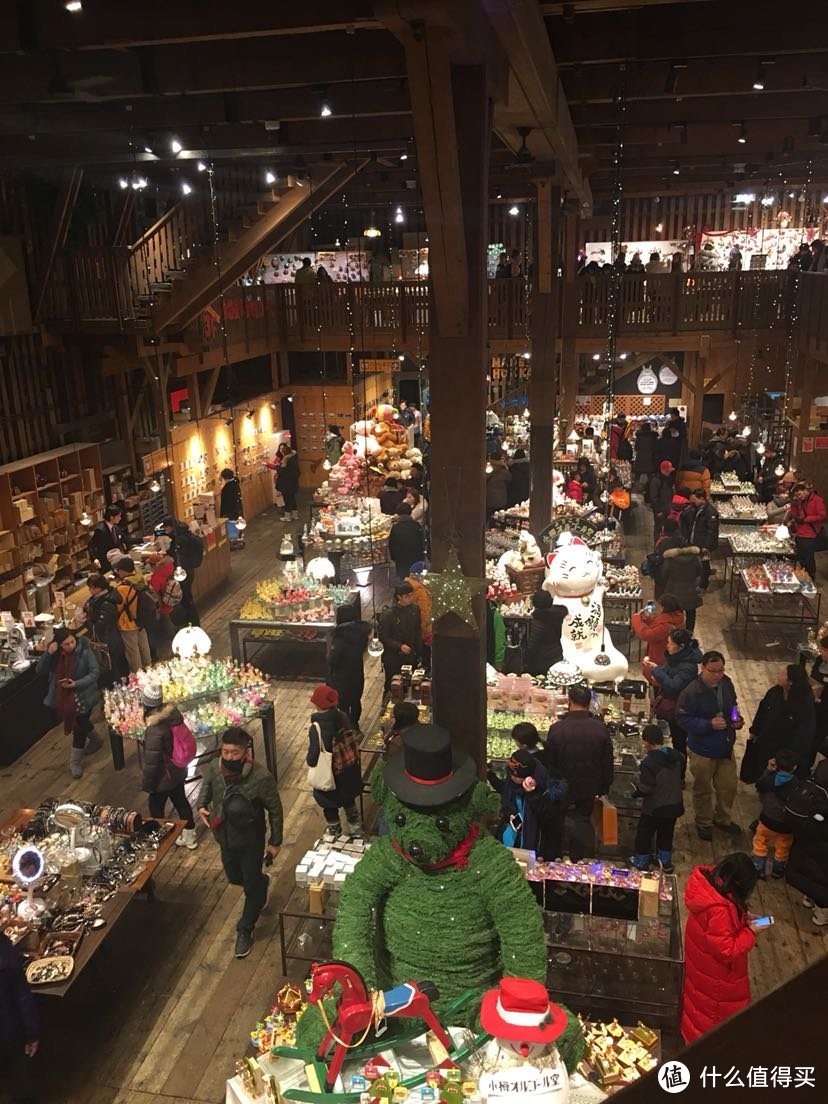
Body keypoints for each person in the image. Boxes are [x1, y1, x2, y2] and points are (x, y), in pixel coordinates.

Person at [197, 726, 283, 959]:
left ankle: (245, 927)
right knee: (235, 877)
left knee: (250, 885)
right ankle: (261, 883)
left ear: (246, 752)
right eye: (225, 752)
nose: (229, 757)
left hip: (251, 840)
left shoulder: (261, 777)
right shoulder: (215, 767)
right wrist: (202, 804)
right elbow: (207, 786)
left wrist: (275, 841)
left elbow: (275, 809)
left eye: (234, 753)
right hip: (223, 836)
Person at [680, 853, 760, 1044]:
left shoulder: (709, 890)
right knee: (710, 1023)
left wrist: (742, 919)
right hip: (717, 980)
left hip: (702, 969)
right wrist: (751, 932)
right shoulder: (720, 911)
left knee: (697, 1009)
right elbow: (727, 950)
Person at [677, 651, 744, 841]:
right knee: (703, 789)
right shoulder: (691, 692)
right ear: (703, 668)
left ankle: (723, 819)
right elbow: (683, 719)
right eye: (713, 671)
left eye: (721, 670)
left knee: (728, 786)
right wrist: (708, 724)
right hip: (702, 750)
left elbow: (733, 704)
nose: (717, 675)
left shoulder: (727, 682)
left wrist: (735, 719)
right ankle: (704, 822)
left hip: (725, 746)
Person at [545, 684, 614, 860]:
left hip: (562, 785)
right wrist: (605, 786)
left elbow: (550, 763)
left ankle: (555, 857)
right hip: (589, 784)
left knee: (557, 820)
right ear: (589, 702)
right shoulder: (600, 729)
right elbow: (607, 762)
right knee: (582, 819)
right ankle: (579, 858)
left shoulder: (556, 729)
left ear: (570, 701)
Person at [37, 627, 102, 779]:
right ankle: (96, 739)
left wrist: (76, 683)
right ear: (59, 645)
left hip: (84, 695)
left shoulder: (85, 651)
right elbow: (40, 670)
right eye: (66, 644)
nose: (71, 645)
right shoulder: (56, 656)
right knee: (81, 723)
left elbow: (94, 672)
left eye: (72, 641)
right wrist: (48, 653)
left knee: (78, 727)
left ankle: (75, 762)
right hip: (64, 697)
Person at [139, 684, 198, 849]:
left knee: (156, 809)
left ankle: (159, 840)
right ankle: (190, 837)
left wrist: (148, 784)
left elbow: (152, 762)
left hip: (162, 778)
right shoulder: (173, 716)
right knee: (181, 802)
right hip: (177, 771)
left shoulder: (154, 729)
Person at [307, 684, 362, 840]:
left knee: (330, 807)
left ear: (318, 704)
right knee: (349, 803)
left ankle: (336, 835)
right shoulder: (343, 717)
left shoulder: (316, 727)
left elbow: (313, 756)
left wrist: (309, 761)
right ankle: (356, 831)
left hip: (330, 775)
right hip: (348, 772)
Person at [645, 627, 702, 778]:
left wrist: (657, 671)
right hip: (672, 708)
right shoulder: (677, 658)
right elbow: (666, 672)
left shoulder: (688, 667)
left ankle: (679, 776)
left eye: (670, 643)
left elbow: (672, 687)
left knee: (679, 742)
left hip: (680, 710)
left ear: (681, 646)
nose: (667, 646)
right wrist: (657, 670)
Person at [487, 748, 563, 859]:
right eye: (511, 774)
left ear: (527, 776)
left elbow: (549, 816)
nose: (512, 778)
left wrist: (533, 795)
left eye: (516, 777)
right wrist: (510, 813)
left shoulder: (546, 786)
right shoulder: (512, 782)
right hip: (512, 839)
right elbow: (506, 797)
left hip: (537, 846)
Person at [744, 665, 815, 781]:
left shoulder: (804, 703)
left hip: (785, 751)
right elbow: (762, 712)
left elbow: (804, 733)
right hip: (766, 743)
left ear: (791, 681)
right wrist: (755, 731)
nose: (779, 675)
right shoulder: (775, 692)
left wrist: (788, 757)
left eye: (783, 674)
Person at [630, 724, 684, 872]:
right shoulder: (677, 756)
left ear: (646, 742)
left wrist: (635, 787)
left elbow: (646, 788)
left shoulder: (649, 763)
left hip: (654, 807)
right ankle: (664, 861)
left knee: (644, 834)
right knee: (666, 834)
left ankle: (641, 861)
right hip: (674, 804)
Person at [785, 758, 828, 926]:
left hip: (804, 851)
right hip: (823, 860)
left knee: (811, 873)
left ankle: (809, 899)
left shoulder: (811, 788)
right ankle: (821, 915)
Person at [0, 931, 39, 1104]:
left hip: (9, 1032)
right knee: (19, 1086)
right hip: (10, 1033)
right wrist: (32, 1032)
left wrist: (31, 1032)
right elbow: (20, 991)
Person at [752, 748, 798, 879]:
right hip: (785, 825)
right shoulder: (797, 785)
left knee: (760, 841)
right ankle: (777, 870)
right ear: (794, 767)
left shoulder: (769, 779)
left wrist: (768, 770)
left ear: (775, 764)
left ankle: (758, 866)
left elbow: (759, 786)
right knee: (783, 846)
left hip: (766, 819)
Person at [326, 606, 370, 727]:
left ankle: (345, 728)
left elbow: (332, 660)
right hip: (356, 672)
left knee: (342, 704)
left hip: (341, 677)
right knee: (355, 701)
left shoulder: (340, 638)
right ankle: (354, 723)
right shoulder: (361, 633)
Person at [84, 572, 128, 683]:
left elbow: (99, 626)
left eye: (91, 588)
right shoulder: (99, 597)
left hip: (109, 639)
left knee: (111, 665)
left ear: (98, 588)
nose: (89, 590)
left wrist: (85, 621)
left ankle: (119, 687)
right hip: (109, 638)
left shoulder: (106, 604)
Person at [377, 583, 422, 692]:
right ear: (399, 597)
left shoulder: (415, 610)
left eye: (412, 595)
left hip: (411, 654)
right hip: (393, 658)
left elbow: (417, 630)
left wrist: (418, 652)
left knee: (410, 685)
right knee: (392, 686)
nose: (410, 599)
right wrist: (399, 646)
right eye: (407, 596)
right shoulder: (388, 615)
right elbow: (383, 637)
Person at [113, 556, 154, 672]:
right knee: (143, 644)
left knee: (133, 651)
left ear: (123, 571)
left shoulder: (122, 588)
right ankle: (149, 668)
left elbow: (119, 607)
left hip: (128, 622)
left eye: (118, 570)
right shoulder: (141, 579)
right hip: (142, 619)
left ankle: (138, 674)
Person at [161, 517, 202, 626]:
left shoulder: (180, 539)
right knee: (186, 596)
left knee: (186, 598)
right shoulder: (183, 533)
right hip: (188, 570)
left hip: (183, 572)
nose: (165, 531)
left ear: (169, 527)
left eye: (165, 528)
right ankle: (191, 620)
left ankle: (194, 622)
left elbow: (177, 555)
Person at [658, 539, 703, 633]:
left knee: (673, 615)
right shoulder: (695, 559)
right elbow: (700, 572)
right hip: (691, 592)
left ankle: (675, 635)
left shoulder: (670, 560)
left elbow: (663, 575)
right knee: (691, 615)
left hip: (673, 592)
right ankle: (689, 634)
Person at [631, 593, 685, 669]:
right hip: (664, 654)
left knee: (655, 676)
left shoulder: (666, 625)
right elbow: (658, 629)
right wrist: (648, 620)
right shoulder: (676, 617)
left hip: (660, 657)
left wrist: (636, 619)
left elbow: (645, 635)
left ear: (663, 607)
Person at [679, 488, 719, 588]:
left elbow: (712, 531)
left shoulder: (711, 512)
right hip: (694, 541)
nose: (693, 501)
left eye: (695, 499)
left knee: (704, 565)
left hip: (703, 544)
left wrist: (707, 546)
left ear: (701, 499)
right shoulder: (695, 508)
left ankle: (703, 586)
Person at [788, 480, 826, 580]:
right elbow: (795, 515)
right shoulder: (800, 501)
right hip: (800, 533)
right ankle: (802, 576)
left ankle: (811, 578)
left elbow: (822, 516)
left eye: (800, 494)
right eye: (797, 495)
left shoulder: (817, 500)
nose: (799, 497)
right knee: (801, 557)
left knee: (808, 557)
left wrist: (806, 519)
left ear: (805, 490)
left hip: (810, 534)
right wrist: (793, 505)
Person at [523, 590, 564, 676]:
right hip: (557, 655)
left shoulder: (539, 621)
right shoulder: (557, 615)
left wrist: (525, 661)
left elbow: (533, 644)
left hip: (541, 661)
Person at [387, 503, 425, 580]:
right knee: (416, 579)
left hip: (401, 559)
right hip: (415, 556)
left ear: (398, 514)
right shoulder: (416, 525)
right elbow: (422, 542)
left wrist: (394, 558)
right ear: (410, 512)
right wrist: (422, 556)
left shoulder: (396, 527)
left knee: (403, 579)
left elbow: (391, 544)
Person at [87, 504, 128, 570]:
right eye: (119, 516)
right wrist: (94, 559)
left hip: (116, 560)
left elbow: (126, 539)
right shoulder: (100, 530)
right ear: (112, 517)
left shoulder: (115, 527)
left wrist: (143, 539)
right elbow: (91, 545)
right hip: (105, 564)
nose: (120, 518)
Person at [809, 635, 828, 763]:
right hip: (813, 704)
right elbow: (813, 675)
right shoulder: (819, 661)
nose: (821, 652)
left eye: (823, 650)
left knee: (816, 737)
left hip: (825, 710)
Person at [273, 444, 299, 521]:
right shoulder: (294, 459)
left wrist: (277, 467)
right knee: (292, 499)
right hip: (293, 483)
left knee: (287, 500)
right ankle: (295, 515)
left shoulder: (285, 461)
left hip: (286, 484)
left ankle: (288, 516)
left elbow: (282, 471)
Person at [648, 460, 675, 533]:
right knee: (658, 528)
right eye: (668, 470)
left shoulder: (669, 479)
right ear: (663, 470)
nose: (669, 472)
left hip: (668, 508)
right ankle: (657, 543)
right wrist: (658, 510)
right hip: (660, 510)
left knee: (666, 528)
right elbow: (654, 497)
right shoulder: (656, 480)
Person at [633, 420, 659, 493]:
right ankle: (650, 489)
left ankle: (636, 489)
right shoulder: (653, 437)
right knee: (650, 474)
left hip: (640, 457)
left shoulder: (639, 437)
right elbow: (655, 448)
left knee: (637, 474)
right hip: (650, 457)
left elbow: (636, 447)